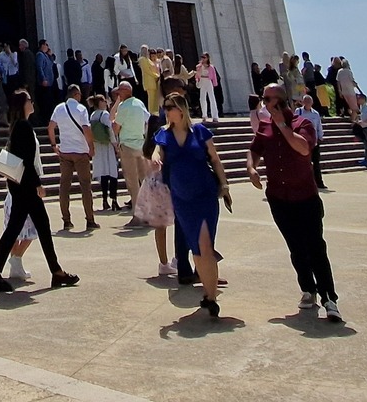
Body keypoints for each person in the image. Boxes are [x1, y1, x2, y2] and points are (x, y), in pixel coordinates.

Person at [250, 82, 340, 321]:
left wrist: (282, 125)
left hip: (305, 197)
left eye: (269, 99)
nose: (265, 103)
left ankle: (329, 297)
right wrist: (251, 167)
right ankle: (307, 290)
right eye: (264, 98)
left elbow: (302, 148)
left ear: (281, 101)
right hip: (279, 198)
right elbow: (255, 148)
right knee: (295, 247)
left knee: (315, 247)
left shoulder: (303, 124)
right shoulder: (265, 127)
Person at [0, 89, 77, 292]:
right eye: (29, 100)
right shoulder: (23, 126)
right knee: (35, 228)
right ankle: (55, 271)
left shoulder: (20, 126)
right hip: (25, 187)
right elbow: (26, 161)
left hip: (20, 187)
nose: (32, 102)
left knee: (25, 229)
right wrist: (37, 185)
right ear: (23, 104)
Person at [152, 92, 233, 319]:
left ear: (181, 109)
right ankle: (208, 294)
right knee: (197, 250)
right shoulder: (163, 135)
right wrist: (155, 159)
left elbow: (215, 160)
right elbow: (157, 151)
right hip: (182, 199)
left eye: (170, 107)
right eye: (165, 107)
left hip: (205, 194)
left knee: (205, 244)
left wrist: (224, 186)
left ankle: (211, 297)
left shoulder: (200, 132)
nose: (166, 111)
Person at [48, 84, 98, 230]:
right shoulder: (81, 109)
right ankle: (89, 219)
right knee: (85, 186)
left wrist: (53, 145)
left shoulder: (59, 108)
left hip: (65, 151)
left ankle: (66, 220)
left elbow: (51, 127)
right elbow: (86, 129)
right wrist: (91, 147)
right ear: (76, 95)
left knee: (64, 186)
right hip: (80, 151)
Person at [112, 81, 152, 221]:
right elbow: (148, 120)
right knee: (144, 180)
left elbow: (116, 127)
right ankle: (147, 213)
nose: (118, 95)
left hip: (127, 146)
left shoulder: (123, 106)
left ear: (124, 92)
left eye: (119, 92)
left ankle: (137, 215)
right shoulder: (139, 103)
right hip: (140, 145)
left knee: (132, 183)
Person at [90, 93, 121, 211]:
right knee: (113, 172)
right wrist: (115, 145)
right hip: (107, 145)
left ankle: (104, 200)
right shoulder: (104, 114)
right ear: (100, 103)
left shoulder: (93, 115)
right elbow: (110, 130)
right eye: (104, 101)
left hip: (98, 145)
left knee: (103, 172)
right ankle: (114, 200)